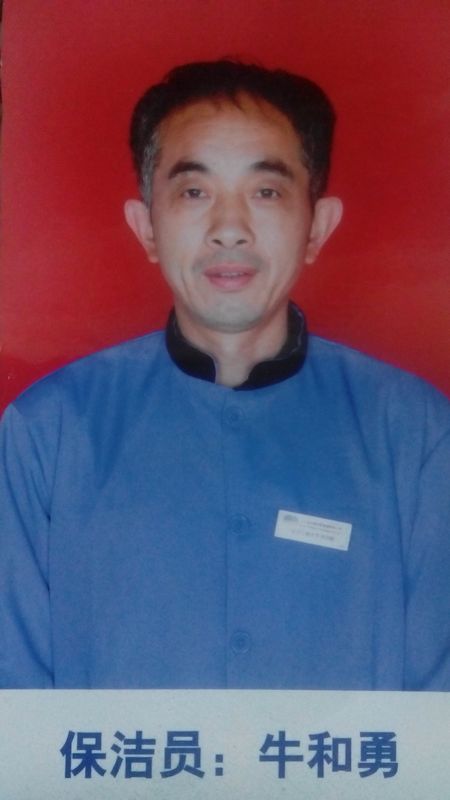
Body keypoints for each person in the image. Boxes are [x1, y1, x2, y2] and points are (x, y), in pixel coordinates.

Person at [1, 60, 449, 690]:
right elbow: (13, 706)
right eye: (194, 192)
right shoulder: (46, 434)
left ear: (317, 227)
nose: (229, 230)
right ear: (146, 227)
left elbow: (439, 712)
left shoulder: (415, 434)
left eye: (266, 192)